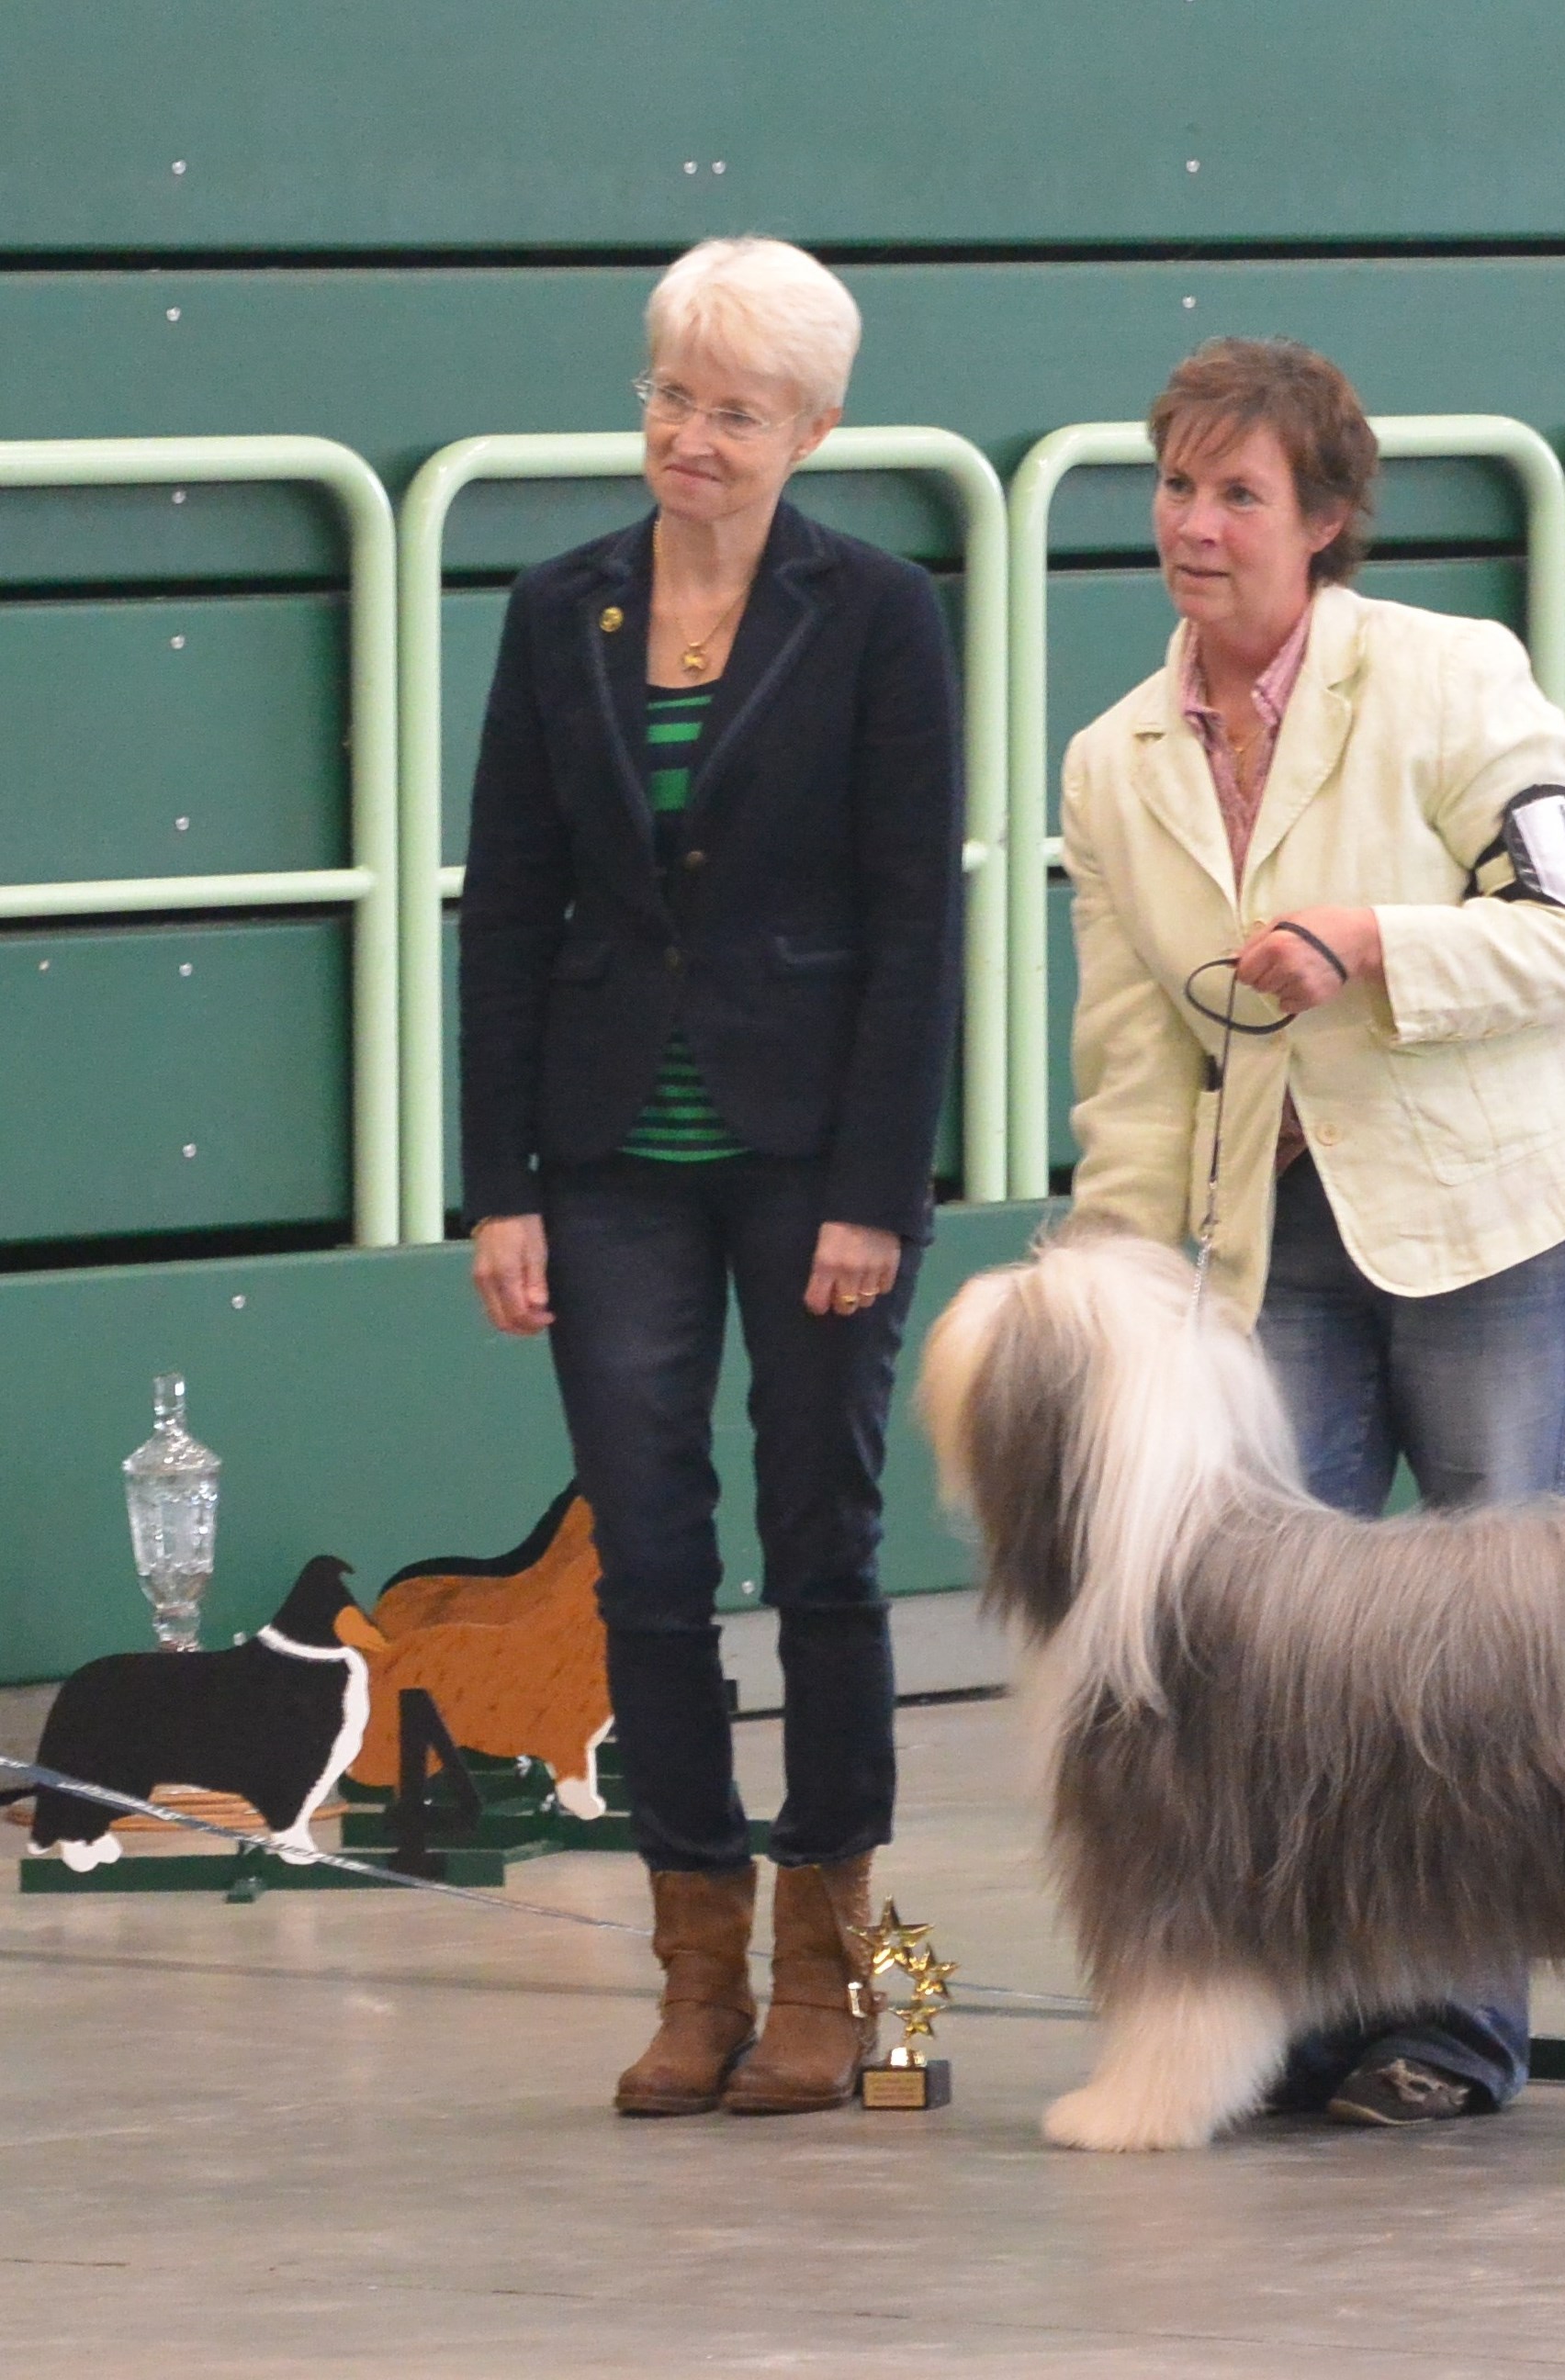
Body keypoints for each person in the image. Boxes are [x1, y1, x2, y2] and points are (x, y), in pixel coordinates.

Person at [1060, 337, 1565, 2126]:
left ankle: (1450, 2035)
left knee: (1481, 1648)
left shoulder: (1452, 676)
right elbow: (1132, 1060)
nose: (1191, 522)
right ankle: (1304, 2014)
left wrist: (1373, 941)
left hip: (1497, 1223)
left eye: (1235, 492)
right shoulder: (1110, 762)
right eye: (1173, 484)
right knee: (1266, 1654)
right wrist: (1113, 1278)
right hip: (1272, 1249)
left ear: (1320, 523)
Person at [458, 238, 962, 2119]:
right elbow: (504, 905)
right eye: (670, 392)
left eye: (734, 410)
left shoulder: (881, 611)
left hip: (808, 1157)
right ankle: (697, 1971)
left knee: (821, 1556)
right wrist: (495, 1185)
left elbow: (918, 921)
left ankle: (836, 1972)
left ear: (813, 428)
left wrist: (871, 1189)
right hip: (604, 1160)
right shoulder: (554, 606)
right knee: (646, 1569)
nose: (688, 433)